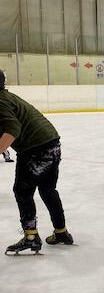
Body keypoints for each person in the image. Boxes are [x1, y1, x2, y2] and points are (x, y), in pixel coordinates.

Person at [0, 69, 73, 255]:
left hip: (35, 149)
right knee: (48, 190)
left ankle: (31, 238)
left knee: (22, 191)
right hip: (52, 143)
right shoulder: (7, 97)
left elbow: (12, 130)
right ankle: (61, 231)